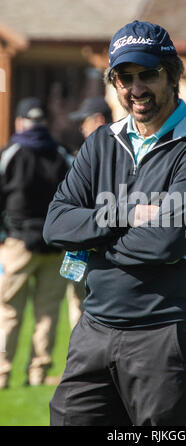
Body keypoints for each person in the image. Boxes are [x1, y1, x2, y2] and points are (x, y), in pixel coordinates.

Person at [43, 20, 186, 426]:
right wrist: (125, 213)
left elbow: (164, 244)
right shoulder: (100, 142)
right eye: (125, 77)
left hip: (165, 335)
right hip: (95, 328)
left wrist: (93, 236)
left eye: (148, 73)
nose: (136, 87)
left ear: (172, 74)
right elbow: (55, 224)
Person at [0, 97, 70, 388]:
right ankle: (38, 373)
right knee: (47, 312)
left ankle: (2, 374)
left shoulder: (10, 153)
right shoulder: (61, 154)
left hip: (17, 243)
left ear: (19, 121)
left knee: (8, 311)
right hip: (54, 245)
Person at [66, 96, 113, 329]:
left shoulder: (109, 157)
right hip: (86, 247)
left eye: (84, 121)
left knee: (89, 313)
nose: (81, 128)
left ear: (98, 120)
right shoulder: (88, 156)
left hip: (102, 251)